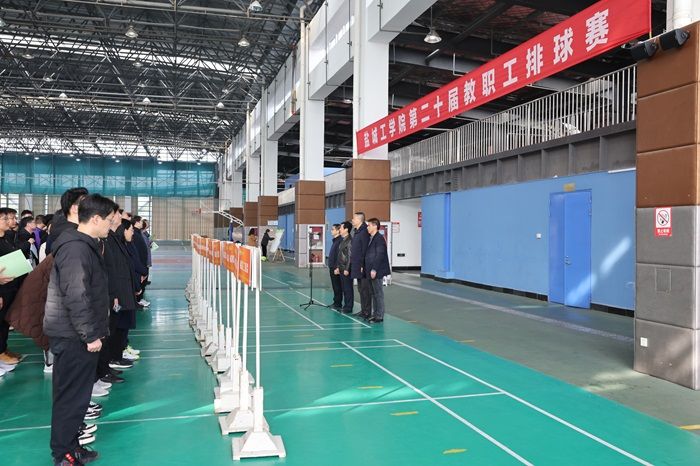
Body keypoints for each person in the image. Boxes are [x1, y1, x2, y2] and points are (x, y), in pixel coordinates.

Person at [44, 194, 117, 466]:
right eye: (108, 220)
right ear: (95, 219)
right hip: (74, 336)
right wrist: (89, 334)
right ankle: (63, 453)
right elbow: (76, 294)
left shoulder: (84, 245)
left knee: (77, 396)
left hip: (75, 333)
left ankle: (71, 446)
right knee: (71, 397)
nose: (111, 226)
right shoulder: (76, 249)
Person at [0, 208, 22, 367]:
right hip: (2, 288)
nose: (10, 221)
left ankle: (3, 348)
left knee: (5, 321)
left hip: (10, 287)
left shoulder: (6, 238)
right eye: (5, 219)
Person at [46, 187, 89, 255]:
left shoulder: (58, 230)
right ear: (75, 208)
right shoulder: (74, 236)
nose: (91, 208)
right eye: (87, 204)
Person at [364, 218, 390, 323]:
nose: (367, 227)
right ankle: (375, 314)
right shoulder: (371, 238)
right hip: (370, 270)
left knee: (378, 294)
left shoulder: (379, 239)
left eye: (369, 225)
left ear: (375, 226)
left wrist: (374, 269)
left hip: (377, 271)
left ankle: (379, 316)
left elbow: (379, 255)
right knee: (373, 293)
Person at [350, 212, 371, 320]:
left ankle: (367, 312)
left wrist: (363, 265)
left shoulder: (364, 232)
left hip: (363, 267)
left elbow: (365, 250)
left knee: (365, 290)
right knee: (360, 289)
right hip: (357, 265)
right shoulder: (356, 231)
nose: (352, 220)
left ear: (359, 220)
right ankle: (363, 310)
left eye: (354, 218)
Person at [131, 216, 150, 308]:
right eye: (141, 221)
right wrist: (141, 268)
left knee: (142, 282)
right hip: (140, 264)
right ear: (137, 222)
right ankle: (138, 300)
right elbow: (137, 252)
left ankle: (139, 299)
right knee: (139, 282)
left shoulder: (138, 233)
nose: (143, 223)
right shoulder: (135, 234)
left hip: (142, 263)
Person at [335, 221, 354, 314]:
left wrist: (347, 268)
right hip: (341, 267)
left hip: (346, 269)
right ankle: (345, 305)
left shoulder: (349, 241)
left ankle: (348, 307)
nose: (340, 230)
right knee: (344, 288)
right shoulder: (343, 240)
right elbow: (340, 255)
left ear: (346, 229)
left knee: (348, 288)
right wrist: (338, 267)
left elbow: (350, 256)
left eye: (341, 228)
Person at [327, 224, 343, 310]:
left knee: (337, 286)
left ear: (338, 231)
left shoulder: (340, 241)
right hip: (332, 266)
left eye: (333, 229)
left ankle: (338, 303)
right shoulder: (335, 241)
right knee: (334, 286)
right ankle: (335, 302)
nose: (331, 231)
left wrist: (337, 267)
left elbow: (339, 256)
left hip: (336, 268)